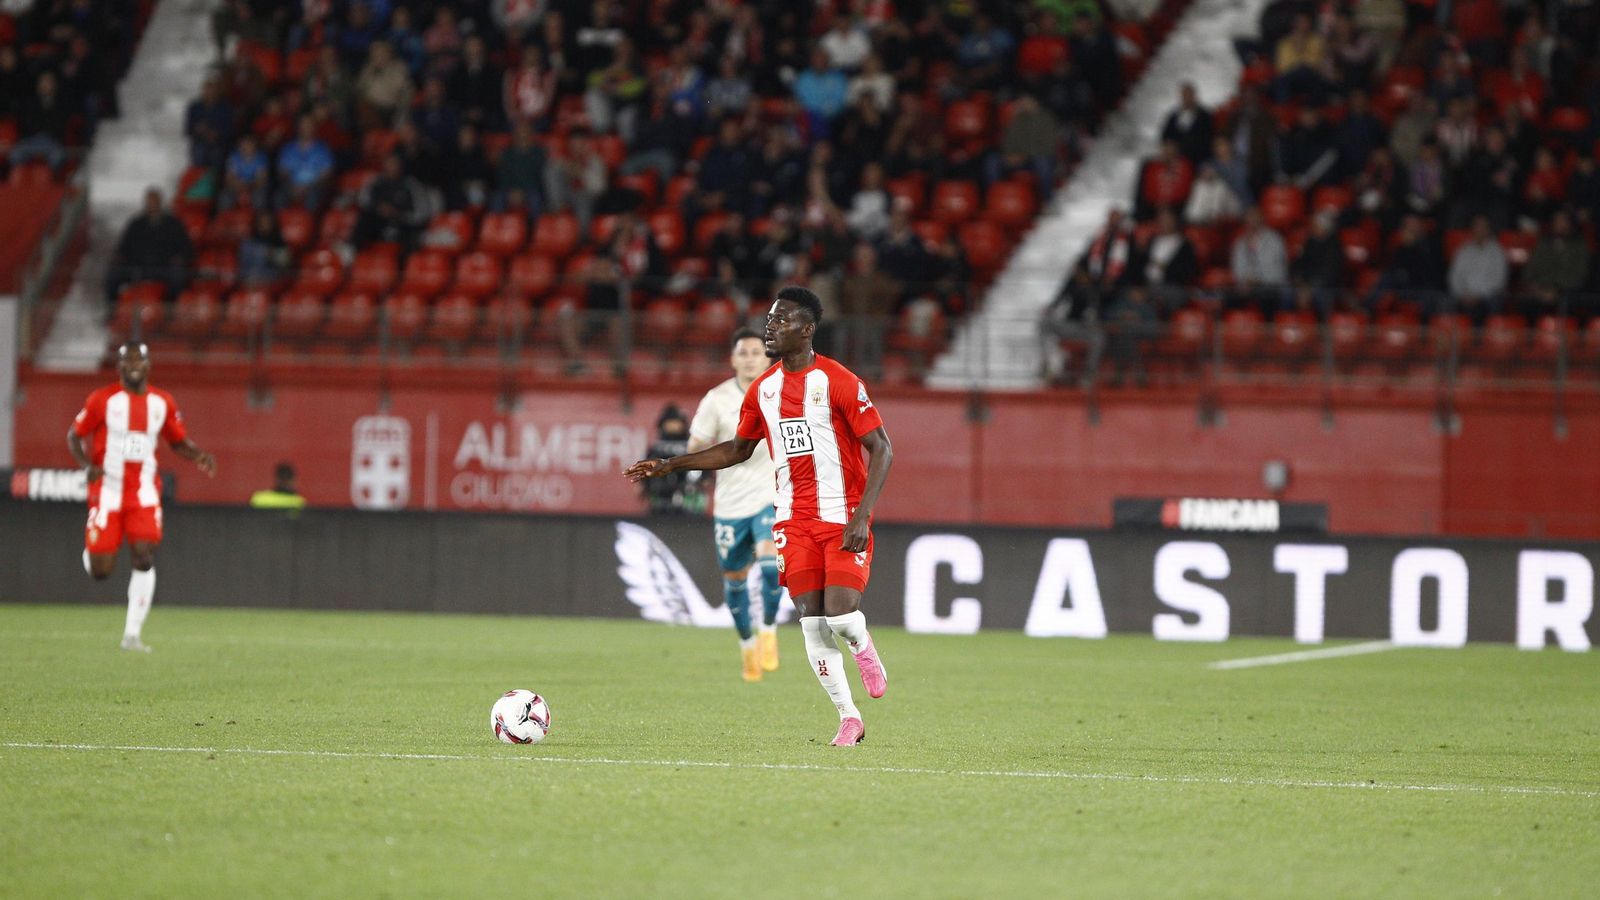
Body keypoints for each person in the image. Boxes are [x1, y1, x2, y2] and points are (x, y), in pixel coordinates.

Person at [625, 286, 893, 746]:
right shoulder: (764, 390)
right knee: (811, 621)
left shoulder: (840, 381)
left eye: (782, 319)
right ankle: (849, 717)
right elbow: (737, 448)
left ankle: (862, 645)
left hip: (842, 514)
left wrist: (862, 516)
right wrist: (670, 464)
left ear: (807, 330)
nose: (771, 324)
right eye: (770, 317)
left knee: (842, 618)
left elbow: (882, 448)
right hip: (792, 519)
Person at [68, 343, 217, 652]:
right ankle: (93, 548)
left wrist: (199, 454)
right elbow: (74, 435)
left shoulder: (162, 403)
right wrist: (87, 466)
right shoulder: (102, 400)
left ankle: (132, 635)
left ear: (149, 365)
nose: (133, 364)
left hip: (143, 493)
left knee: (144, 555)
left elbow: (177, 441)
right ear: (119, 367)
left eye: (139, 359)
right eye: (127, 360)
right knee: (101, 571)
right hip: (107, 491)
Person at [688, 329, 784, 682]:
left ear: (768, 357)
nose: (749, 358)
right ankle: (747, 646)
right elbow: (698, 440)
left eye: (756, 352)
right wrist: (694, 461)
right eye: (742, 352)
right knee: (735, 581)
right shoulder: (717, 399)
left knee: (772, 564)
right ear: (733, 359)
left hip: (770, 496)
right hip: (730, 503)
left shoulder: (781, 390)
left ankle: (769, 629)